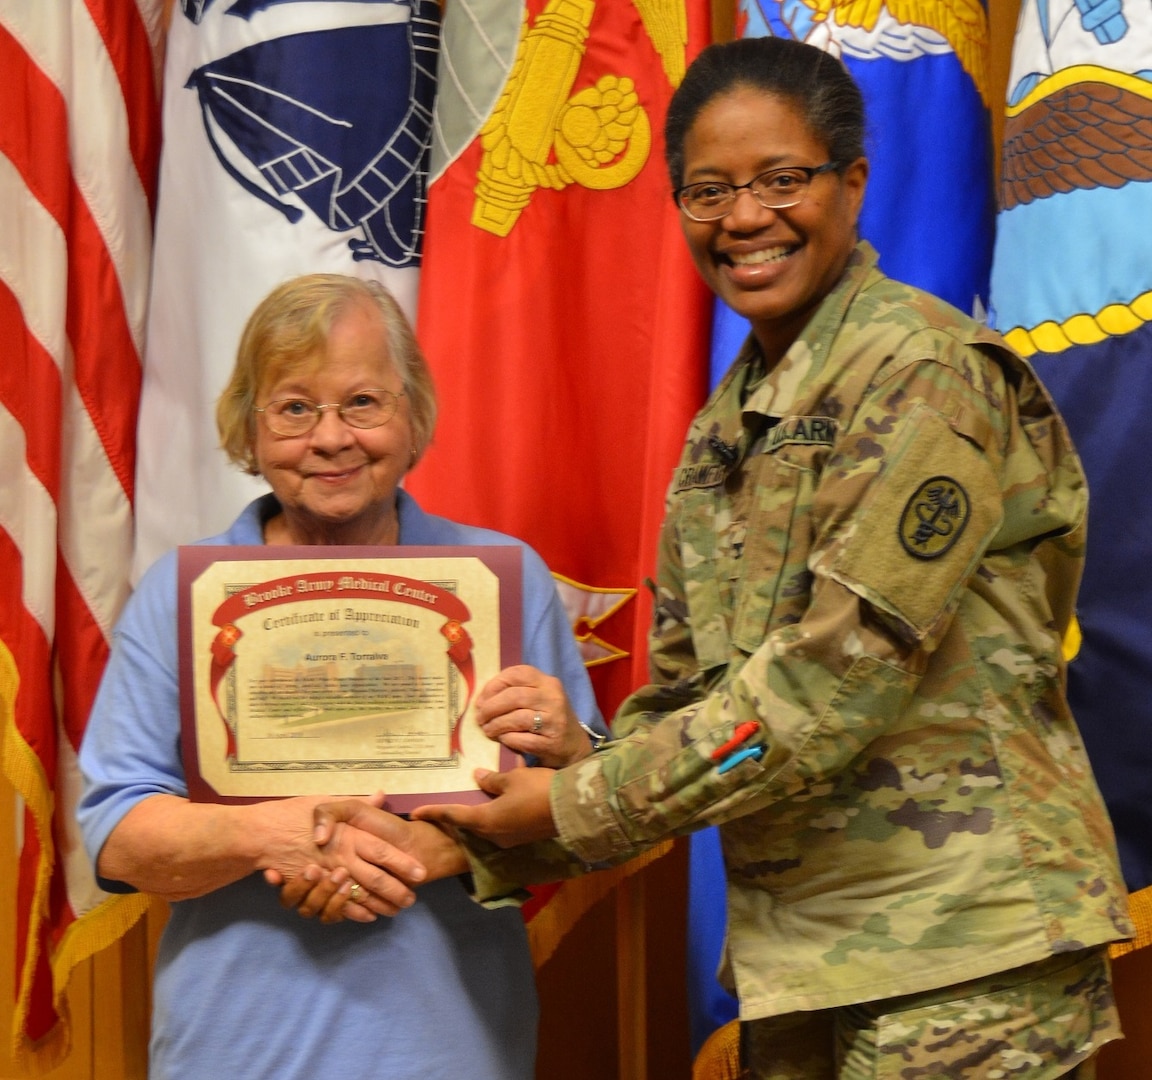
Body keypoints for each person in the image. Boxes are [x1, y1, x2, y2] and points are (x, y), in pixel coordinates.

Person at [286, 37, 1136, 1079]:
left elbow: (830, 688)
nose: (744, 218)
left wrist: (558, 809)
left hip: (967, 950)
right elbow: (691, 707)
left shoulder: (923, 373)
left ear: (853, 181)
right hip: (807, 955)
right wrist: (469, 839)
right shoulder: (725, 430)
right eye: (708, 190)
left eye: (783, 180)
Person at [77, 274, 605, 1080]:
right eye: (294, 408)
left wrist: (564, 755)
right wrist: (271, 835)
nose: (330, 438)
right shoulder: (178, 597)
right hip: (235, 1051)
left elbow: (588, 819)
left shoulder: (508, 584)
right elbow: (117, 840)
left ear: (413, 415)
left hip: (452, 1048)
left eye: (363, 402)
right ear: (250, 431)